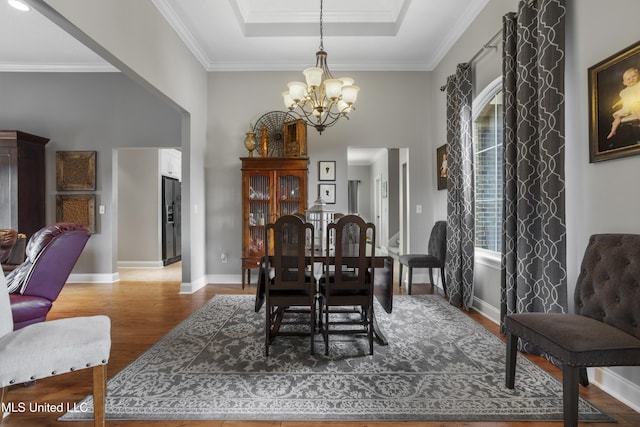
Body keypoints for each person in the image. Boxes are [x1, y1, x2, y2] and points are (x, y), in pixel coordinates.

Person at [607, 66, 640, 139]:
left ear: (638, 75)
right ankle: (613, 130)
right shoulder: (624, 92)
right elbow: (622, 100)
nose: (631, 79)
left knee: (638, 109)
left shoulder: (638, 85)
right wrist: (616, 104)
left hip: (636, 104)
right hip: (626, 108)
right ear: (624, 82)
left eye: (633, 76)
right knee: (617, 116)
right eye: (628, 79)